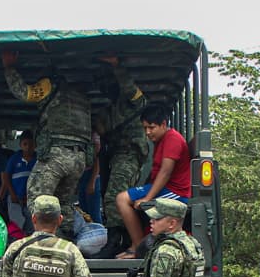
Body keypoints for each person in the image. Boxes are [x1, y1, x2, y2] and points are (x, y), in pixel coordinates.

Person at [2, 50, 91, 240]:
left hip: (57, 155)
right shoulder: (81, 98)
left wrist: (9, 68)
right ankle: (66, 240)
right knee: (64, 202)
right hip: (79, 158)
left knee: (37, 197)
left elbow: (24, 93)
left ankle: (42, 242)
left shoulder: (50, 85)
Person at [114, 104, 192, 258]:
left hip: (176, 192)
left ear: (163, 124)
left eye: (151, 127)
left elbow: (165, 172)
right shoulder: (161, 140)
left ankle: (138, 248)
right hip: (166, 188)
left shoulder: (173, 139)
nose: (147, 132)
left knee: (122, 199)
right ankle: (137, 243)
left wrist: (147, 198)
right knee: (123, 198)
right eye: (145, 128)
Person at [95, 56, 147, 253]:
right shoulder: (108, 111)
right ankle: (121, 237)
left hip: (130, 153)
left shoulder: (133, 102)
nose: (105, 88)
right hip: (116, 155)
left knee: (114, 195)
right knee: (111, 195)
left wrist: (117, 67)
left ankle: (116, 239)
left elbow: (133, 92)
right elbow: (101, 130)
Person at [3, 129, 37, 233]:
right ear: (20, 145)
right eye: (25, 144)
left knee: (31, 223)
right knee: (16, 223)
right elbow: (6, 177)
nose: (28, 147)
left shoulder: (38, 159)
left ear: (35, 145)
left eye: (31, 144)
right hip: (15, 197)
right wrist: (12, 194)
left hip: (31, 198)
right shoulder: (14, 159)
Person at [76, 131, 103, 225]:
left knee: (94, 213)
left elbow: (97, 160)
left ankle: (100, 235)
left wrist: (92, 182)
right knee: (84, 213)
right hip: (81, 175)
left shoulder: (93, 137)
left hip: (91, 175)